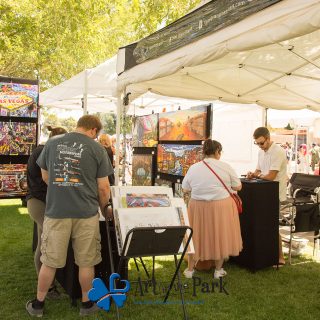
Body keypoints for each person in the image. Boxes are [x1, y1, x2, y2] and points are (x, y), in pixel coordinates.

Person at [26, 115, 113, 317]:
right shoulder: (97, 149)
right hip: (86, 213)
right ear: (93, 130)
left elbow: (45, 176)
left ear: (78, 125)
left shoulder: (53, 143)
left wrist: (62, 189)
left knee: (49, 260)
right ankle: (86, 303)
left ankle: (38, 305)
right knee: (86, 261)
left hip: (57, 211)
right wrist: (104, 209)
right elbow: (103, 188)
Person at [182, 139, 242, 279]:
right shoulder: (225, 166)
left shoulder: (194, 167)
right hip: (221, 206)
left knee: (194, 237)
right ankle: (218, 270)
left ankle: (190, 270)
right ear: (217, 152)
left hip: (197, 206)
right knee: (220, 235)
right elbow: (238, 186)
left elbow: (185, 188)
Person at [26, 126, 67, 299]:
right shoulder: (42, 152)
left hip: (41, 202)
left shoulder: (42, 150)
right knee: (46, 245)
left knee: (44, 242)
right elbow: (48, 180)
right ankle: (48, 289)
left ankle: (49, 285)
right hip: (39, 202)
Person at [247, 127, 287, 265]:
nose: (259, 146)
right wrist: (252, 174)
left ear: (268, 139)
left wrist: (257, 175)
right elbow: (258, 171)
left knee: (272, 226)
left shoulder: (278, 152)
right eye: (257, 143)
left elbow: (271, 176)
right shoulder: (261, 152)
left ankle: (280, 257)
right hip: (263, 193)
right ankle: (265, 254)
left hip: (274, 195)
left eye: (261, 143)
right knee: (263, 225)